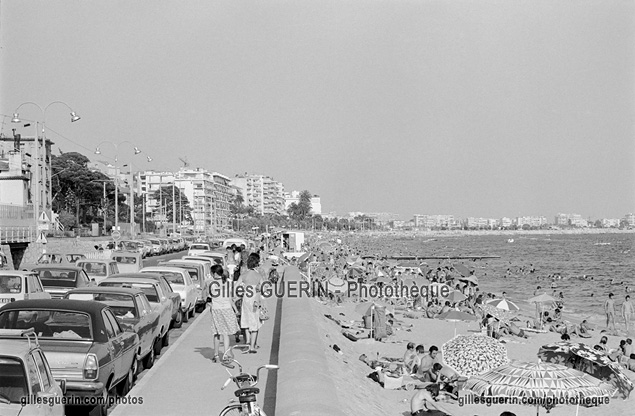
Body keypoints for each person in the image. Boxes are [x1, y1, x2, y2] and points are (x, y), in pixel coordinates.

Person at [209, 264, 240, 364]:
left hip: (216, 309)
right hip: (227, 309)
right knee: (226, 333)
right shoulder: (227, 283)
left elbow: (209, 297)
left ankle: (216, 355)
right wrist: (235, 310)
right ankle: (225, 355)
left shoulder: (212, 284)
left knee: (217, 333)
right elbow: (230, 299)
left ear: (214, 273)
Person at [240, 253, 265, 353]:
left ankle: (248, 342)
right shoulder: (258, 275)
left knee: (246, 321)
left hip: (246, 300)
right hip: (255, 301)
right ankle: (252, 346)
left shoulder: (244, 275)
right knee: (254, 322)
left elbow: (236, 287)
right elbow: (264, 288)